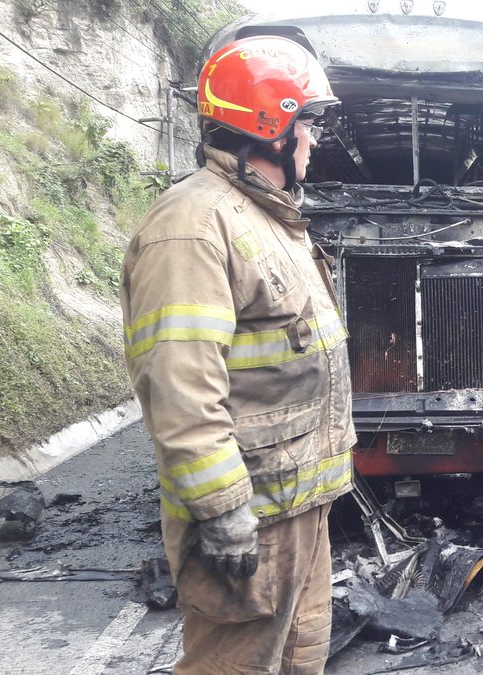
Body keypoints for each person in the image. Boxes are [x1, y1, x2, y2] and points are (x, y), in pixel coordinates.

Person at [120, 35, 355, 673]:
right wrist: (222, 510)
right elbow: (180, 386)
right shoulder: (193, 226)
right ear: (270, 124)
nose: (313, 139)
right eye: (306, 122)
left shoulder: (269, 221)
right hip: (253, 515)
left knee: (299, 657)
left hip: (299, 506)